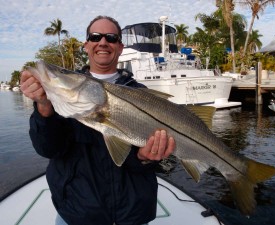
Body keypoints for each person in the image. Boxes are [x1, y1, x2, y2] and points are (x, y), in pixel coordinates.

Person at [20, 15, 175, 225]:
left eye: (111, 38)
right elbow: (48, 150)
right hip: (77, 214)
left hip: (132, 215)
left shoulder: (142, 94)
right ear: (86, 45)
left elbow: (139, 164)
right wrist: (44, 107)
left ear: (120, 47)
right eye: (95, 37)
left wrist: (144, 158)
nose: (103, 42)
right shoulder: (58, 100)